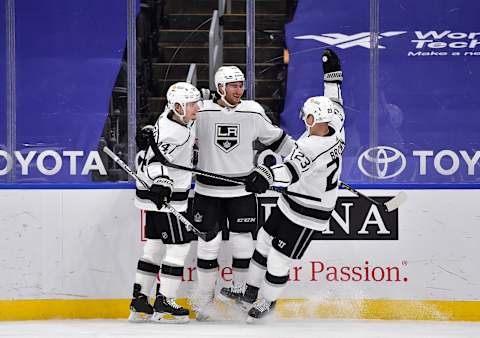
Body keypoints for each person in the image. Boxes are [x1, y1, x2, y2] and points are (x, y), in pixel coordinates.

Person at [219, 49, 346, 322]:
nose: (305, 121)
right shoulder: (337, 123)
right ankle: (249, 291)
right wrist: (331, 75)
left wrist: (264, 175)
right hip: (290, 203)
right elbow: (335, 98)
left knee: (279, 258)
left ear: (319, 121)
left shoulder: (311, 146)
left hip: (308, 214)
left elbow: (289, 172)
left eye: (309, 118)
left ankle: (267, 301)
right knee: (263, 242)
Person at [190, 66, 295, 320]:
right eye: (233, 85)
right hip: (207, 190)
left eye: (241, 84)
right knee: (208, 244)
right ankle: (205, 297)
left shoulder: (252, 111)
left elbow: (279, 140)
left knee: (243, 242)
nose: (239, 89)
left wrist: (306, 159)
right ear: (220, 88)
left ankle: (240, 292)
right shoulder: (202, 111)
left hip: (241, 190)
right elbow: (181, 131)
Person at [128, 82, 202, 323]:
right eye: (192, 104)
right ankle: (165, 300)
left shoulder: (172, 118)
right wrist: (161, 180)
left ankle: (140, 299)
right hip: (168, 197)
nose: (197, 108)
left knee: (154, 245)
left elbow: (155, 147)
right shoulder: (174, 132)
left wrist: (148, 130)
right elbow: (153, 161)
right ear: (178, 106)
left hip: (153, 196)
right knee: (179, 246)